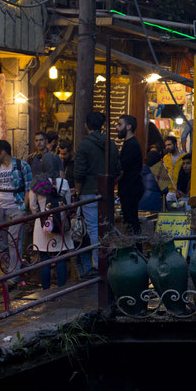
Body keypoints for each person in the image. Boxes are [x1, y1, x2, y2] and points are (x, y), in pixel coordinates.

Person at [73, 111, 121, 279]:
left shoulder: (84, 145)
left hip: (89, 192)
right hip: (106, 192)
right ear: (102, 126)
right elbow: (117, 168)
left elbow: (79, 172)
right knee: (107, 226)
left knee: (94, 228)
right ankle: (110, 261)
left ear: (86, 125)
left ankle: (98, 264)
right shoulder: (111, 144)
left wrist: (78, 191)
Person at [0, 139, 32, 286]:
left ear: (3, 151)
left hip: (15, 207)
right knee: (1, 242)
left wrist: (23, 209)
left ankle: (14, 275)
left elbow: (28, 189)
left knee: (15, 241)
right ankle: (8, 268)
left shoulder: (22, 166)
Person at [29, 154, 73, 290]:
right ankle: (61, 289)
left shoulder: (36, 183)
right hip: (60, 223)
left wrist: (41, 216)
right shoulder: (63, 183)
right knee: (60, 258)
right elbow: (69, 204)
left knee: (44, 260)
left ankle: (46, 290)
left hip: (43, 225)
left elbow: (32, 206)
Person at [116, 114, 143, 234]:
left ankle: (135, 249)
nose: (117, 128)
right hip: (129, 189)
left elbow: (122, 170)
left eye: (119, 124)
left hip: (130, 190)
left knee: (131, 222)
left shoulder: (131, 145)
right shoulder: (128, 143)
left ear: (128, 127)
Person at [139, 146, 164, 212]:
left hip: (141, 201)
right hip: (155, 203)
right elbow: (165, 190)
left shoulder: (140, 170)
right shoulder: (159, 171)